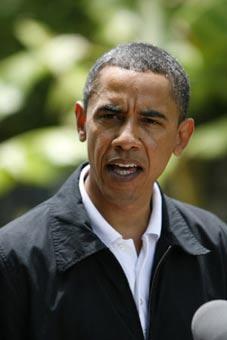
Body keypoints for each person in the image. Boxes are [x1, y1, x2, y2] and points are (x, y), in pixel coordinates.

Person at [0, 42, 227, 340]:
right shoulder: (14, 259)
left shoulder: (215, 245)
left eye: (149, 121)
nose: (126, 139)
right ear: (82, 123)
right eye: (110, 116)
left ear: (181, 137)